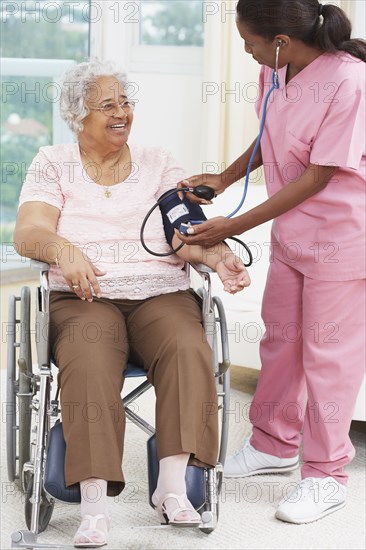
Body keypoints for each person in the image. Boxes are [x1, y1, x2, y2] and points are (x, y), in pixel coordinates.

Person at [13, 60, 250, 547]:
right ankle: (95, 505)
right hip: (85, 296)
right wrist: (64, 249)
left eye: (125, 102)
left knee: (189, 346)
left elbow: (185, 236)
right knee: (88, 354)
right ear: (79, 116)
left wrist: (216, 254)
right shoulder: (52, 162)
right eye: (107, 105)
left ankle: (171, 488)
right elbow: (29, 231)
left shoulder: (159, 161)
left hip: (159, 294)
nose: (121, 112)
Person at [178, 0, 366, 525]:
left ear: (281, 38)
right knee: (280, 339)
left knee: (328, 357)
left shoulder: (352, 83)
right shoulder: (275, 69)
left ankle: (326, 476)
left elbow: (319, 174)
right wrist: (223, 178)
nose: (247, 50)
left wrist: (233, 226)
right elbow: (269, 137)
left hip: (343, 237)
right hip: (293, 234)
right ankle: (274, 444)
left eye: (250, 40)